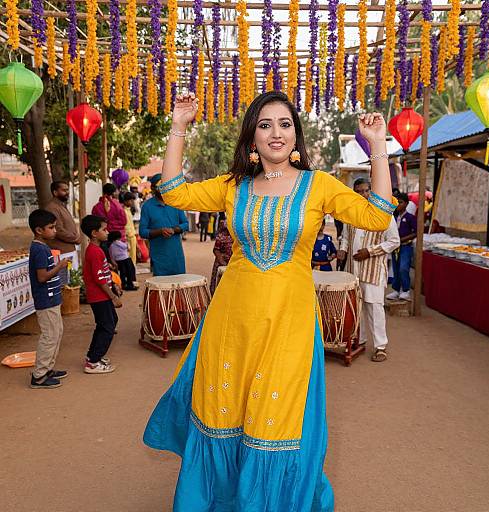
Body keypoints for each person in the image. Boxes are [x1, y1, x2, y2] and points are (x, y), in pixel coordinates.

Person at [143, 91, 395, 511]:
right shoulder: (233, 186)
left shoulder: (319, 186)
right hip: (230, 322)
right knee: (225, 411)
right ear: (251, 139)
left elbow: (378, 214)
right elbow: (173, 192)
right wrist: (179, 126)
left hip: (289, 324)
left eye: (283, 124)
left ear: (296, 134)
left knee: (275, 418)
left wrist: (378, 149)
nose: (275, 133)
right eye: (264, 125)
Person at [339, 178, 400, 362]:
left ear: (371, 192)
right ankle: (360, 340)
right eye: (358, 191)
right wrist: (342, 249)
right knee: (356, 308)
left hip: (372, 271)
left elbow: (394, 241)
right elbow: (345, 237)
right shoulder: (350, 213)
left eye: (365, 191)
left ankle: (380, 346)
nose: (362, 194)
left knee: (374, 308)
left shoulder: (384, 214)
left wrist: (370, 251)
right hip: (353, 271)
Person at [28, 209, 70, 389]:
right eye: (51, 227)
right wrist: (60, 266)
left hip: (52, 299)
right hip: (45, 301)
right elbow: (42, 277)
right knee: (49, 336)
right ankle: (39, 376)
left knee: (56, 332)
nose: (54, 230)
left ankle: (48, 369)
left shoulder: (43, 248)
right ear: (39, 230)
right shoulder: (38, 249)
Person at [81, 215, 121, 374]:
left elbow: (103, 274)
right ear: (94, 233)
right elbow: (99, 279)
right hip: (100, 297)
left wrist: (114, 286)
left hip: (102, 295)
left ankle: (93, 355)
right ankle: (93, 362)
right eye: (104, 229)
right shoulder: (94, 252)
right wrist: (113, 296)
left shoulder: (97, 249)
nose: (107, 232)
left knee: (108, 323)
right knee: (107, 327)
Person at [139, 174, 189, 276]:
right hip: (159, 256)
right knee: (161, 287)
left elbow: (185, 224)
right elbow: (142, 232)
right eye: (160, 186)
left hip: (176, 255)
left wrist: (174, 230)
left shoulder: (175, 203)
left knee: (179, 284)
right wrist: (160, 231)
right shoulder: (147, 206)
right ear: (153, 188)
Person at [44, 180, 81, 281]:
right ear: (55, 192)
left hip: (69, 249)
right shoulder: (52, 208)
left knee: (73, 280)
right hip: (62, 251)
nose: (67, 192)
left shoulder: (61, 206)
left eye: (67, 190)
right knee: (66, 282)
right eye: (64, 190)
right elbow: (58, 230)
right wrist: (76, 238)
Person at [387, 192, 417, 301]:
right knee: (395, 268)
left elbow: (415, 232)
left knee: (403, 268)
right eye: (396, 203)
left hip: (405, 246)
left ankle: (405, 290)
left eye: (400, 202)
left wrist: (401, 240)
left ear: (406, 204)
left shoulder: (410, 217)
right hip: (395, 247)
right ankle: (396, 289)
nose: (398, 205)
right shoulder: (394, 217)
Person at [209, 215, 234, 295]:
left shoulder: (238, 237)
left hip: (234, 263)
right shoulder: (222, 235)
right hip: (222, 263)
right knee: (218, 287)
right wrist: (222, 261)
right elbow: (216, 250)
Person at [121, 192, 138, 265]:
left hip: (132, 236)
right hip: (128, 237)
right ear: (125, 201)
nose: (132, 202)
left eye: (133, 200)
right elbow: (125, 226)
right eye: (130, 200)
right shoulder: (123, 211)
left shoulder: (129, 210)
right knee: (129, 258)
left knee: (133, 257)